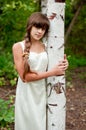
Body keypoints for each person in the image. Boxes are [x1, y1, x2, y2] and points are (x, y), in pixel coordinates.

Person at [12, 12, 68, 130]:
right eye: (37, 27)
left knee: (41, 124)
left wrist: (64, 64)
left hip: (43, 92)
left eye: (43, 29)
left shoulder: (48, 47)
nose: (40, 32)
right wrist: (52, 72)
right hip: (26, 94)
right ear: (30, 26)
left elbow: (55, 66)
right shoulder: (18, 47)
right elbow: (25, 77)